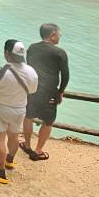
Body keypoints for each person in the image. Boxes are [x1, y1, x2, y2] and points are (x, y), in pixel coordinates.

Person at [0, 40, 39, 185]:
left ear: (7, 53)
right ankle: (10, 161)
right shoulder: (32, 72)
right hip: (20, 109)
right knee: (14, 136)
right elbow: (33, 91)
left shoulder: (1, 71)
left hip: (1, 108)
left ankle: (0, 173)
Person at [21, 23, 69, 161]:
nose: (60, 36)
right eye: (59, 34)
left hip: (32, 90)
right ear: (52, 35)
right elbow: (65, 76)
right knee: (48, 122)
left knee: (28, 117)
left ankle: (27, 145)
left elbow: (29, 69)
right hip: (49, 93)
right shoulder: (59, 52)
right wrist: (60, 92)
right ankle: (38, 151)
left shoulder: (32, 48)